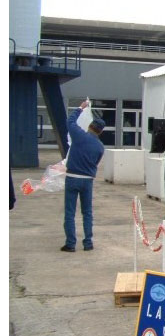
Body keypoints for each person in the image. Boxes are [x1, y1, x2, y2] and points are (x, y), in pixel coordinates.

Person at [61, 100, 105, 252]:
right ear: (100, 131)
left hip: (72, 177)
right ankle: (88, 243)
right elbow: (96, 163)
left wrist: (80, 108)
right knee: (87, 213)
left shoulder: (79, 135)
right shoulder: (100, 147)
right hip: (87, 181)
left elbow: (70, 121)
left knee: (70, 212)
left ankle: (70, 243)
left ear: (89, 126)